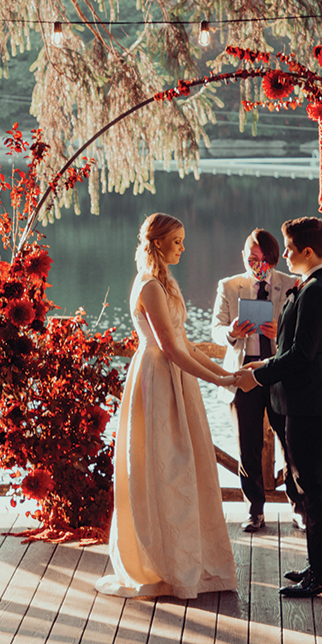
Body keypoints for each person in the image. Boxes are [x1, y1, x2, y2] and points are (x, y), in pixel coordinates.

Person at [95, 213, 238, 599]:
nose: (182, 248)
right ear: (157, 242)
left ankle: (187, 559)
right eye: (176, 242)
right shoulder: (150, 286)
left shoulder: (166, 283)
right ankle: (164, 564)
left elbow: (187, 345)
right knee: (163, 468)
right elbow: (171, 350)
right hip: (158, 380)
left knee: (186, 470)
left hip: (177, 380)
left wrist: (225, 372)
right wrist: (221, 381)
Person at [234, 216, 322, 598]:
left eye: (288, 248)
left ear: (307, 251)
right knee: (318, 485)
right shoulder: (316, 284)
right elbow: (295, 350)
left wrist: (259, 376)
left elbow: (303, 355)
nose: (284, 254)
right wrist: (261, 365)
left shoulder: (318, 290)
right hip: (312, 398)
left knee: (316, 487)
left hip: (315, 400)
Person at [211, 228, 305, 534]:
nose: (258, 265)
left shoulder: (292, 285)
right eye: (253, 258)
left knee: (290, 441)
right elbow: (215, 327)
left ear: (274, 261)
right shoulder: (229, 286)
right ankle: (254, 510)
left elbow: (302, 334)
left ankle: (299, 507)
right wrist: (230, 333)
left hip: (279, 370)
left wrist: (279, 332)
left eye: (264, 260)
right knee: (246, 444)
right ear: (243, 256)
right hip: (243, 371)